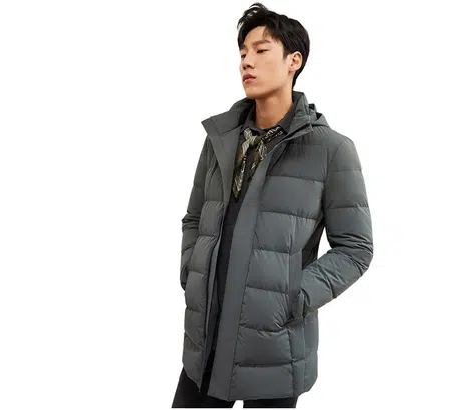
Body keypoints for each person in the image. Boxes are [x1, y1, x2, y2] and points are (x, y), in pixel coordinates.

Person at [172, 3, 373, 408]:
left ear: (293, 61)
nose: (246, 61)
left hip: (275, 349)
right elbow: (194, 217)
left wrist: (292, 296)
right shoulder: (220, 140)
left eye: (261, 50)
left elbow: (355, 248)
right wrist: (192, 271)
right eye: (243, 52)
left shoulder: (331, 150)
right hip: (206, 339)